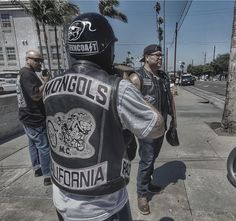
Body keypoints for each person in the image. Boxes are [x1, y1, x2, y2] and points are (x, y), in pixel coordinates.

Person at [43, 13, 165, 221]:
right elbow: (157, 126)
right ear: (105, 48)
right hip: (103, 207)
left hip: (62, 199)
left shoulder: (50, 85)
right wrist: (129, 87)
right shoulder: (118, 87)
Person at [129, 44, 177, 215]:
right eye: (157, 55)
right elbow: (130, 106)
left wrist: (174, 121)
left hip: (161, 127)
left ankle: (148, 184)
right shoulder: (137, 77)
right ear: (147, 57)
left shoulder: (163, 76)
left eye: (161, 55)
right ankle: (141, 194)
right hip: (146, 129)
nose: (160, 58)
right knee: (147, 159)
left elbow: (170, 98)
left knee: (153, 157)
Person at [16, 50, 51, 186]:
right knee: (44, 147)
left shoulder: (22, 73)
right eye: (36, 60)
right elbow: (36, 95)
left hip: (26, 116)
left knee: (32, 144)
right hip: (34, 117)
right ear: (28, 59)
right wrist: (46, 82)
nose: (39, 63)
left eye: (41, 60)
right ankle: (47, 175)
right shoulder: (27, 74)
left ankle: (37, 168)